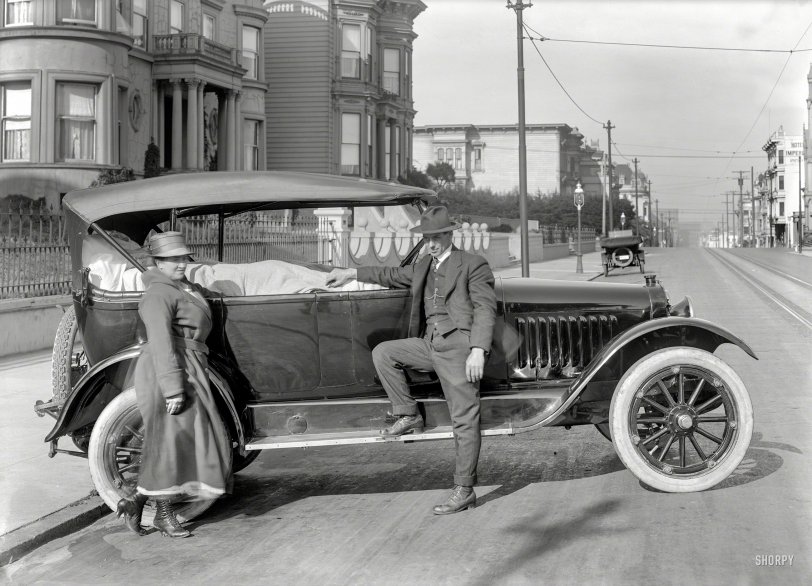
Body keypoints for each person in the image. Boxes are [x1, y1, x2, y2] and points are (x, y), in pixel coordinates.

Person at [326, 206, 497, 515]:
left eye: (436, 238)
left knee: (464, 419)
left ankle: (464, 489)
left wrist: (477, 350)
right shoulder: (423, 265)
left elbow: (485, 308)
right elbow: (391, 274)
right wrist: (351, 272)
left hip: (458, 348)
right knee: (384, 352)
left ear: (449, 235)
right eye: (426, 238)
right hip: (429, 345)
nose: (430, 244)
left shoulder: (473, 264)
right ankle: (408, 414)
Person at [116, 231, 231, 538]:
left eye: (183, 257)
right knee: (169, 443)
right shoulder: (157, 294)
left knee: (177, 441)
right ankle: (163, 516)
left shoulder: (182, 287)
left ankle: (135, 501)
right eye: (173, 259)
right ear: (157, 262)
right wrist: (173, 389)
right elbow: (161, 343)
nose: (181, 263)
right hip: (167, 371)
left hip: (189, 365)